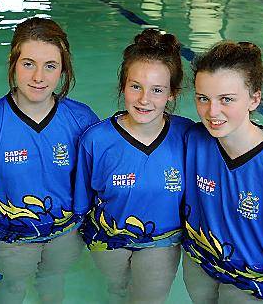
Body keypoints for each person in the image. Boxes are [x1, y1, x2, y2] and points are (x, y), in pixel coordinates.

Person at [0, 17, 99, 304]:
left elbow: (99, 186)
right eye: (28, 63)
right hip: (9, 239)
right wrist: (4, 208)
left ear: (63, 69)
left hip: (67, 234)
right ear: (13, 62)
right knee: (13, 287)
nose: (38, 77)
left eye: (50, 66)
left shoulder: (82, 121)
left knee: (53, 283)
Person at [182, 41, 263, 303]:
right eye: (203, 98)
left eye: (226, 99)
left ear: (254, 99)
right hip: (199, 260)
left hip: (253, 281)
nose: (212, 112)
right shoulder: (193, 140)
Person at [74, 28, 193, 304]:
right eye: (135, 86)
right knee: (116, 291)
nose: (144, 99)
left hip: (161, 242)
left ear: (172, 93)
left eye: (157, 90)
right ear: (123, 85)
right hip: (107, 239)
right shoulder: (96, 139)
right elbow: (82, 203)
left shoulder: (188, 137)